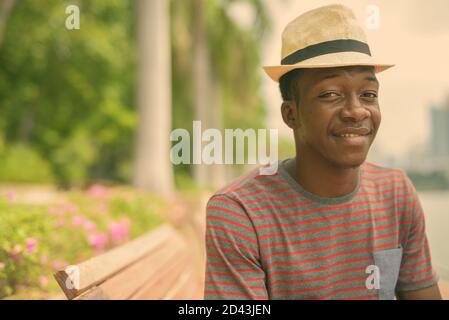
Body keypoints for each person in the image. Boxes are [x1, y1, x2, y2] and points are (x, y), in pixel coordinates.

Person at [203, 4, 442, 300]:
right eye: (330, 94)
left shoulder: (396, 192)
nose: (357, 111)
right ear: (291, 114)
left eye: (368, 94)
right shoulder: (241, 213)